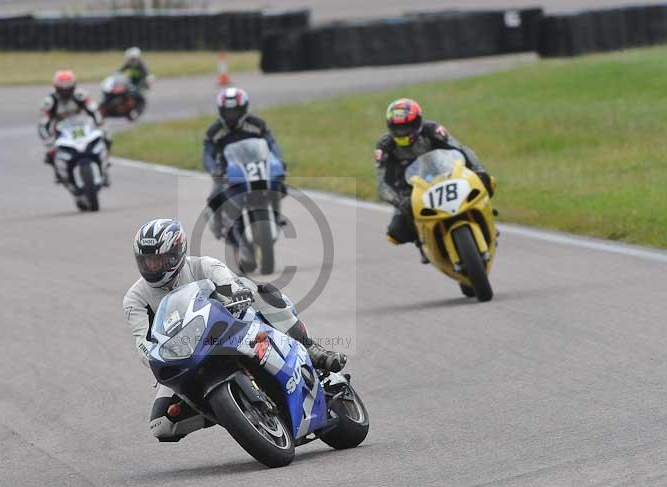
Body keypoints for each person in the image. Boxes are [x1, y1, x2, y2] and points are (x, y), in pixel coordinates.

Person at [123, 218, 347, 442]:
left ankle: (311, 348)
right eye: (146, 261)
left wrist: (236, 294)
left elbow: (229, 285)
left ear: (176, 253)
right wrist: (156, 358)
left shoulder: (203, 265)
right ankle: (225, 409)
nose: (151, 267)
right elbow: (142, 341)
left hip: (224, 329)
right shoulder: (135, 298)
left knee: (259, 291)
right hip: (183, 355)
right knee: (162, 425)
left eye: (158, 260)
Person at [374, 98, 495, 260]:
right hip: (409, 191)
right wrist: (399, 201)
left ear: (418, 122)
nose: (403, 132)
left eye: (407, 126)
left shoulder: (432, 130)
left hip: (446, 176)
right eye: (398, 128)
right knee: (396, 231)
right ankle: (423, 241)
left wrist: (478, 169)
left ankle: (484, 215)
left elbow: (460, 149)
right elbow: (383, 184)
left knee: (487, 182)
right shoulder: (385, 146)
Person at [202, 87, 284, 238]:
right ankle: (219, 224)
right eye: (227, 111)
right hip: (227, 170)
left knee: (279, 183)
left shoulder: (257, 124)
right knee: (214, 197)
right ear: (221, 111)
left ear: (244, 109)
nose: (231, 115)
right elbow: (207, 154)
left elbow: (271, 144)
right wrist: (213, 169)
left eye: (235, 111)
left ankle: (276, 215)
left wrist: (278, 160)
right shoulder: (214, 131)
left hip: (256, 165)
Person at [38, 70, 107, 183]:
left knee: (105, 138)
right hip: (61, 131)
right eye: (62, 89)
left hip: (81, 126)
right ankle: (60, 174)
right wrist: (48, 143)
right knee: (50, 155)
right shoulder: (50, 101)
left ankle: (104, 166)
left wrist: (100, 125)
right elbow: (43, 124)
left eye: (68, 89)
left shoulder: (80, 95)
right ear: (56, 87)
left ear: (73, 86)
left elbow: (93, 110)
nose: (65, 92)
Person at [119, 47, 149, 118]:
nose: (130, 61)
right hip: (132, 83)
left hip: (141, 84)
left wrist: (139, 86)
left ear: (136, 58)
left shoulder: (142, 65)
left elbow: (145, 78)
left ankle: (137, 112)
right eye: (130, 59)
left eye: (132, 59)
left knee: (140, 97)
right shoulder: (130, 63)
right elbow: (122, 69)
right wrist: (116, 73)